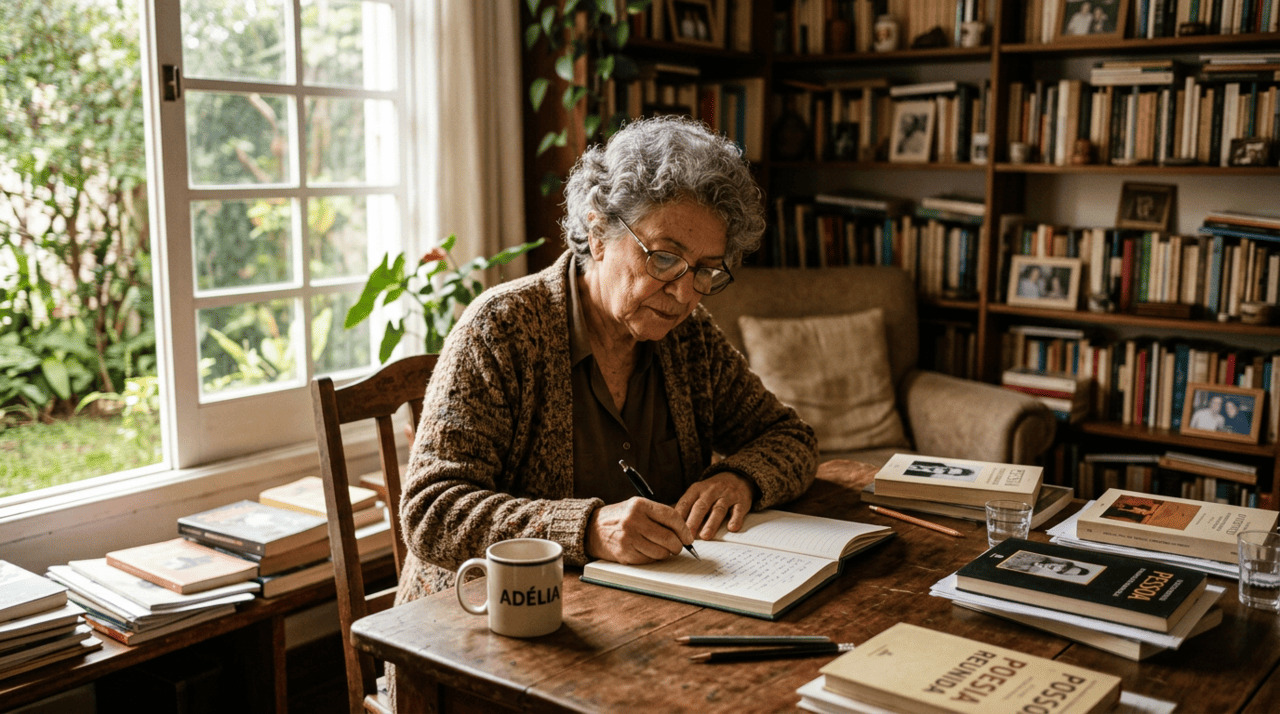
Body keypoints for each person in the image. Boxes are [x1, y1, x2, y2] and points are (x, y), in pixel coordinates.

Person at [395, 115, 818, 607]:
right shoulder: (502, 330)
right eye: (664, 258)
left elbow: (791, 438)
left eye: (706, 270)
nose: (684, 294)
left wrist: (741, 478)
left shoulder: (690, 339)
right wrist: (587, 529)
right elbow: (431, 512)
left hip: (632, 615)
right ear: (598, 234)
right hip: (479, 621)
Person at [903, 461, 977, 481]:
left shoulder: (925, 476)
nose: (942, 470)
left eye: (946, 472)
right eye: (947, 468)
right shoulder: (935, 462)